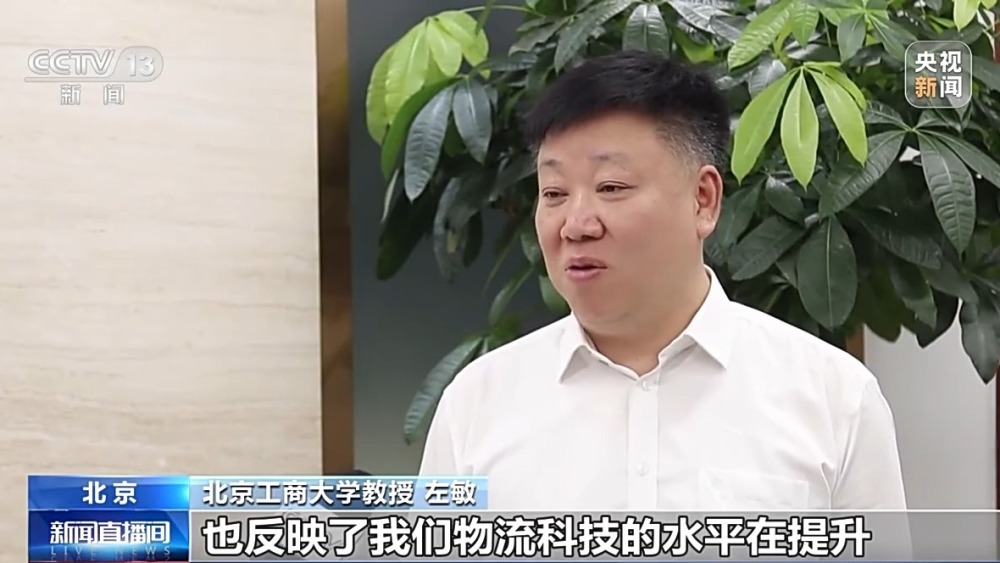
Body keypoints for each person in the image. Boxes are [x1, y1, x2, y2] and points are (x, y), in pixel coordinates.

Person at [418, 50, 907, 512]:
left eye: (611, 187)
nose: (576, 224)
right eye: (555, 193)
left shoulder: (834, 399)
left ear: (703, 200)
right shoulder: (476, 405)